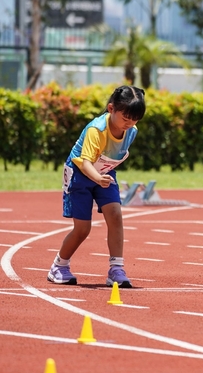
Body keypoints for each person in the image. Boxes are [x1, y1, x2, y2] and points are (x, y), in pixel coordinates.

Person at [47, 85, 146, 288]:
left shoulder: (131, 131)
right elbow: (85, 163)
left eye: (135, 119)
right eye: (125, 118)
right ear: (111, 109)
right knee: (83, 229)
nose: (129, 123)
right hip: (80, 175)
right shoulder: (97, 130)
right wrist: (98, 178)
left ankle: (116, 269)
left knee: (115, 216)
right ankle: (59, 265)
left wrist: (103, 177)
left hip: (105, 174)